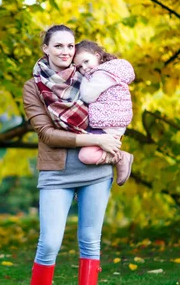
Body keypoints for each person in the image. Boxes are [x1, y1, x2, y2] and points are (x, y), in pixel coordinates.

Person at [23, 25, 121, 285]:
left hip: (96, 171)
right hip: (56, 173)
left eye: (70, 45)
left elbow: (115, 105)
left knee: (90, 242)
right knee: (49, 244)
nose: (65, 51)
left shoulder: (90, 75)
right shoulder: (33, 87)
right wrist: (95, 139)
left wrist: (110, 137)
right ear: (45, 49)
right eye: (58, 45)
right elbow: (46, 133)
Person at [73, 40, 135, 186]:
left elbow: (87, 95)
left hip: (109, 124)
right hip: (110, 121)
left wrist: (82, 79)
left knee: (85, 155)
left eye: (86, 61)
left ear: (98, 55)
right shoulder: (108, 71)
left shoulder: (103, 74)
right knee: (83, 145)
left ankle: (119, 158)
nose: (84, 68)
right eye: (80, 67)